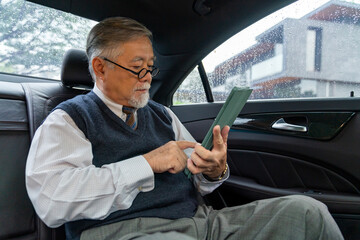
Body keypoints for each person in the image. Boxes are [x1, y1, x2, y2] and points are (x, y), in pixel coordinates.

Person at [25, 17, 344, 240]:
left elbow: (197, 179)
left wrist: (213, 170)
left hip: (201, 223)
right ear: (100, 67)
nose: (148, 78)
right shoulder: (68, 119)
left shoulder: (162, 115)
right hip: (125, 232)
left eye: (150, 67)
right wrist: (147, 163)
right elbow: (52, 202)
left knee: (307, 212)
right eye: (137, 68)